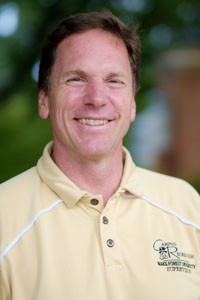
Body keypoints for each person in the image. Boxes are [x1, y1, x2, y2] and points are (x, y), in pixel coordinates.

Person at [0, 10, 200, 300]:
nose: (96, 98)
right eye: (76, 79)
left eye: (114, 81)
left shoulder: (188, 206)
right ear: (44, 100)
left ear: (132, 104)